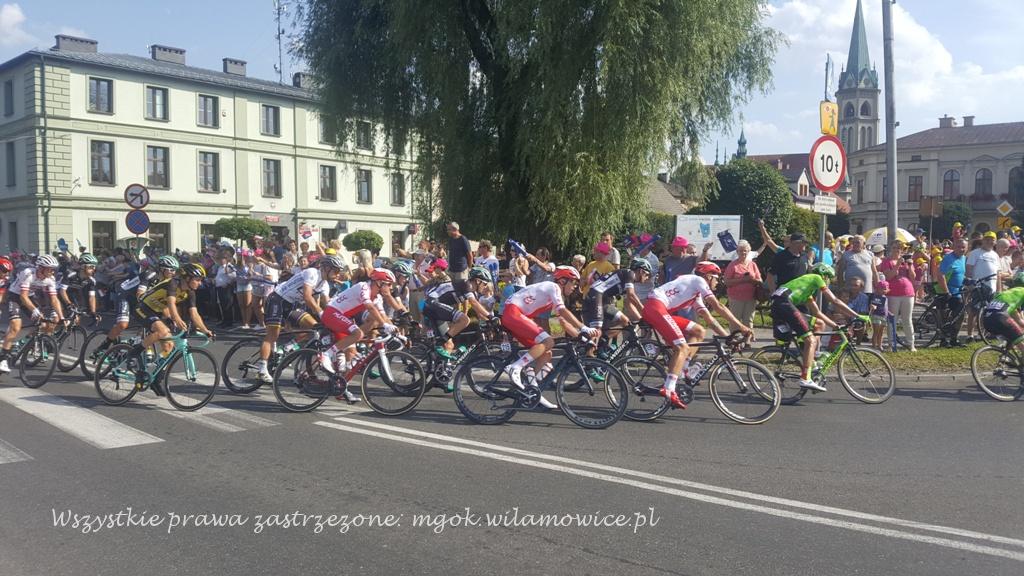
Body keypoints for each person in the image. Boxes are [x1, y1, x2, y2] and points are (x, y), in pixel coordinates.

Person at [641, 262, 753, 409]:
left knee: (699, 331)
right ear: (708, 276)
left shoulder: (696, 294)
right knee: (682, 347)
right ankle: (669, 389)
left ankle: (684, 369)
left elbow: (710, 321)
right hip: (655, 307)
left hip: (660, 310)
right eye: (716, 278)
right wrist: (741, 327)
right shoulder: (698, 280)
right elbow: (718, 306)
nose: (717, 282)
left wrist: (728, 337)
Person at [501, 266, 596, 409]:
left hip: (517, 316)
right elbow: (563, 311)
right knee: (548, 341)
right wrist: (583, 327)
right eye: (573, 282)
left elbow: (562, 321)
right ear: (563, 281)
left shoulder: (555, 296)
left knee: (546, 354)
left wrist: (582, 337)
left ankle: (531, 390)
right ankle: (515, 367)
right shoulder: (553, 287)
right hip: (513, 313)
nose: (575, 287)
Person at [769, 263, 865, 392]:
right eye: (828, 278)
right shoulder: (815, 277)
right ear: (824, 275)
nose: (828, 282)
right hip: (783, 303)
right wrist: (857, 316)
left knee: (819, 323)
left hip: (780, 303)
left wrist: (836, 326)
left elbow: (817, 313)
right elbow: (835, 301)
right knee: (811, 340)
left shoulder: (807, 287)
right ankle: (805, 378)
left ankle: (810, 357)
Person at [254, 255, 346, 383]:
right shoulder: (312, 273)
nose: (337, 274)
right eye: (335, 271)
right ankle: (262, 369)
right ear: (326, 268)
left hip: (292, 305)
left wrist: (339, 315)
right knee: (273, 335)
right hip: (277, 300)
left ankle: (287, 347)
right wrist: (320, 313)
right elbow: (308, 297)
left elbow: (327, 304)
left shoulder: (324, 284)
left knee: (314, 328)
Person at [128, 264, 215, 383]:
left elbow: (194, 314)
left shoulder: (190, 292)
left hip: (158, 312)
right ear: (187, 278)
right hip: (143, 308)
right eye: (198, 280)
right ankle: (134, 353)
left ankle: (156, 380)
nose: (200, 283)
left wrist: (206, 330)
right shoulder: (172, 283)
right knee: (163, 331)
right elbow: (171, 304)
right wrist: (177, 319)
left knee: (169, 348)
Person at [0, 255, 64, 374]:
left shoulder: (50, 279)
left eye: (53, 269)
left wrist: (62, 317)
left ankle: (22, 342)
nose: (52, 271)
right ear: (41, 268)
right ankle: (2, 359)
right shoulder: (28, 273)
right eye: (50, 269)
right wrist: (34, 310)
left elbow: (54, 299)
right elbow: (22, 296)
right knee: (15, 326)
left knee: (43, 324)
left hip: (29, 297)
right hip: (15, 296)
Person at [422, 266, 494, 361]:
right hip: (432, 303)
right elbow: (474, 303)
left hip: (433, 307)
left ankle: (441, 366)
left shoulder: (472, 292)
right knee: (464, 320)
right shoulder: (466, 284)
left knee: (449, 345)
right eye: (484, 284)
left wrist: (489, 322)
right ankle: (439, 344)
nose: (485, 287)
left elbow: (478, 312)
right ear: (477, 281)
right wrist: (491, 317)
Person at [879, 241, 917, 351]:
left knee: (907, 319)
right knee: (892, 319)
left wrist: (910, 266)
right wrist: (897, 265)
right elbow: (889, 276)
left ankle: (911, 343)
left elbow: (913, 277)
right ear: (891, 249)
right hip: (893, 293)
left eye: (899, 248)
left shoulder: (906, 261)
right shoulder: (887, 261)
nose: (897, 250)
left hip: (908, 292)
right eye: (894, 247)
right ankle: (891, 344)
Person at [965, 231, 1001, 341]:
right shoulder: (975, 253)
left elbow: (998, 274)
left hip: (992, 287)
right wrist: (970, 283)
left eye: (992, 240)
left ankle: (984, 333)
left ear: (995, 242)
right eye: (987, 239)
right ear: (983, 240)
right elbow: (969, 269)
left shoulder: (995, 255)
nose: (989, 242)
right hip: (978, 286)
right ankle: (970, 335)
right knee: (974, 311)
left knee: (989, 312)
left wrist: (999, 289)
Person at [981, 271, 1024, 354]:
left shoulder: (1004, 294)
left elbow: (1020, 321)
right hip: (1000, 318)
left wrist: (999, 277)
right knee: (1020, 339)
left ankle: (1006, 357)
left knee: (1012, 338)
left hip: (986, 321)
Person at [723, 239, 762, 330]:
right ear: (737, 252)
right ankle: (734, 337)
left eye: (745, 250)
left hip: (751, 297)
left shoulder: (753, 265)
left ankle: (748, 337)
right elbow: (727, 282)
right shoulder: (732, 265)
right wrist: (743, 280)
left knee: (749, 320)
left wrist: (752, 280)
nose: (743, 252)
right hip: (736, 297)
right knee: (735, 320)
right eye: (741, 251)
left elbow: (760, 280)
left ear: (748, 252)